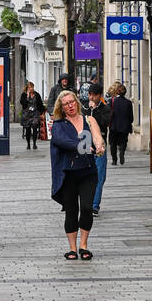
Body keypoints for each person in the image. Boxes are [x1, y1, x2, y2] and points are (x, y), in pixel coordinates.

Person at [50, 89, 104, 260]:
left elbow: (97, 137)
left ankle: (84, 245)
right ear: (62, 107)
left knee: (87, 208)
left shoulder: (89, 119)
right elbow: (62, 141)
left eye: (72, 102)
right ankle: (72, 248)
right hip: (68, 174)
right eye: (66, 104)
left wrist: (99, 145)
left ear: (77, 102)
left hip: (88, 171)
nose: (70, 106)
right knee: (71, 211)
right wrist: (82, 146)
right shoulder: (59, 125)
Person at [85, 85, 111, 213]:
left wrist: (95, 110)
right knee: (84, 176)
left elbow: (103, 123)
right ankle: (86, 202)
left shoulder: (105, 109)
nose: (91, 97)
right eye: (90, 94)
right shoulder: (84, 108)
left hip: (100, 146)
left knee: (99, 176)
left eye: (94, 95)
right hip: (85, 146)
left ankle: (94, 205)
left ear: (99, 95)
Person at [108, 82, 134, 166]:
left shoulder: (113, 101)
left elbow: (110, 113)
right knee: (123, 142)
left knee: (113, 143)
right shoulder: (128, 103)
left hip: (114, 126)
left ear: (117, 92)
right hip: (124, 126)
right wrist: (130, 122)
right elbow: (131, 117)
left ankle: (114, 160)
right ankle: (122, 152)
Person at [19, 81, 43, 150]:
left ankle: (34, 144)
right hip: (26, 114)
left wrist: (42, 112)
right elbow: (23, 103)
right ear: (27, 88)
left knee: (35, 127)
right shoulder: (24, 95)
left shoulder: (37, 94)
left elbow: (40, 104)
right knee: (28, 129)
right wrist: (27, 95)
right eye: (29, 87)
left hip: (35, 114)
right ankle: (28, 144)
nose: (31, 88)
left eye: (32, 87)